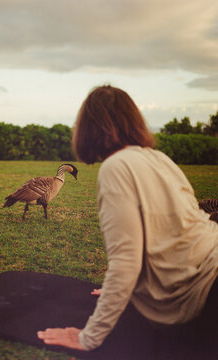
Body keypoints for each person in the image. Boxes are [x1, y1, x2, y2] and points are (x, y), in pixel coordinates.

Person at [37, 85, 218, 352]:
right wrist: (130, 292)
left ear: (89, 128)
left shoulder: (115, 167)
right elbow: (173, 232)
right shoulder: (159, 159)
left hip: (206, 291)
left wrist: (89, 337)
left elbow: (126, 261)